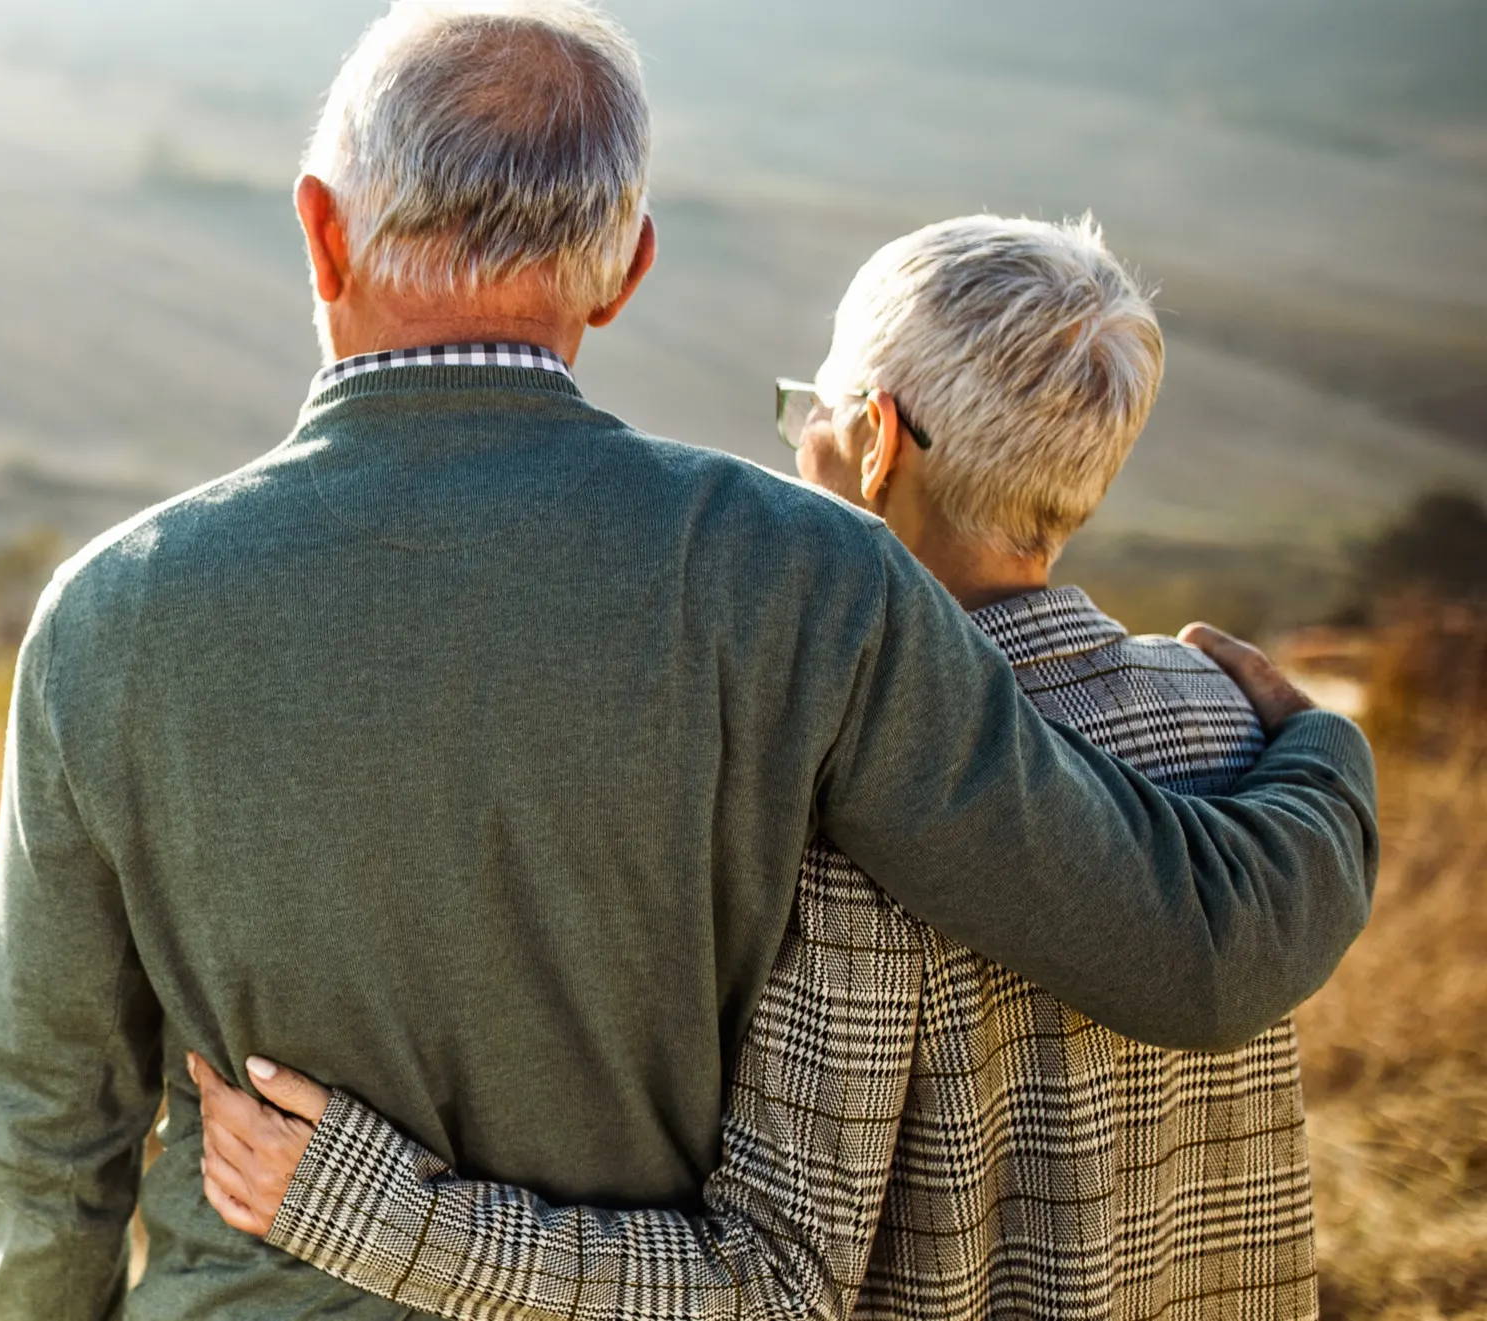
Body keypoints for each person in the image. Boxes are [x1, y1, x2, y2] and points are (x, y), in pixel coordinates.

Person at [0, 4, 1377, 1318]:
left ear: (321, 235)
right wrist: (1319, 754)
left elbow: (45, 1104)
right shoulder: (804, 578)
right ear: (625, 270)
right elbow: (1176, 947)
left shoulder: (111, 611)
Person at [194, 215, 1329, 1318]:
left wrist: (372, 1213)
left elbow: (776, 1282)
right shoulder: (1230, 723)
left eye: (812, 412)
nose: (796, 447)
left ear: (879, 444)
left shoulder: (847, 789)